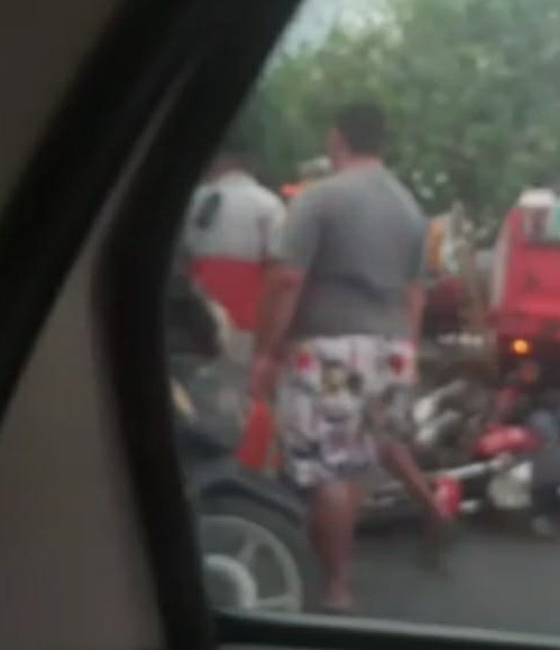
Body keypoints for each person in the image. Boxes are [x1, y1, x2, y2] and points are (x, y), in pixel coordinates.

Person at [250, 101, 449, 613]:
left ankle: (336, 586)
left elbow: (288, 278)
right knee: (356, 463)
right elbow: (416, 293)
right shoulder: (410, 210)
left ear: (337, 139)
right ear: (381, 144)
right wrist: (408, 351)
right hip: (392, 347)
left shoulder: (321, 199)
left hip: (331, 348)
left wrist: (268, 350)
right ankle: (335, 568)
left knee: (329, 472)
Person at [181, 135, 285, 366]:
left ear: (218, 161)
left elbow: (182, 261)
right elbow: (276, 271)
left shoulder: (194, 200)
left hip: (198, 322)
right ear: (251, 164)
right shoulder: (269, 205)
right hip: (247, 325)